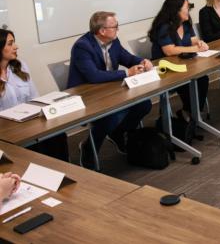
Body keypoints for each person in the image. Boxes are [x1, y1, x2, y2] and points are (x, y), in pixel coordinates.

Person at [68, 11, 153, 169]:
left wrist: (143, 61)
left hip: (109, 89)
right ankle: (89, 146)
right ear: (102, 31)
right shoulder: (82, 46)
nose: (117, 29)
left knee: (144, 104)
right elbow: (93, 76)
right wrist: (127, 73)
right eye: (115, 27)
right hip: (86, 94)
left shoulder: (113, 40)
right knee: (113, 115)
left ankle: (117, 132)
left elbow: (127, 58)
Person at [0, 29, 69, 161]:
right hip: (6, 132)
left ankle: (65, 175)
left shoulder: (20, 67)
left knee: (57, 135)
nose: (16, 47)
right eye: (10, 43)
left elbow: (34, 99)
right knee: (37, 149)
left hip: (28, 123)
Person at [149, 0, 210, 117]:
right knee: (187, 81)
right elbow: (169, 51)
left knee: (203, 78)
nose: (189, 10)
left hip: (182, 64)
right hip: (164, 68)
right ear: (176, 10)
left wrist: (199, 43)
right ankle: (190, 115)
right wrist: (194, 49)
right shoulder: (164, 26)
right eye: (186, 8)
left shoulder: (185, 23)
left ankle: (190, 113)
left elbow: (192, 39)